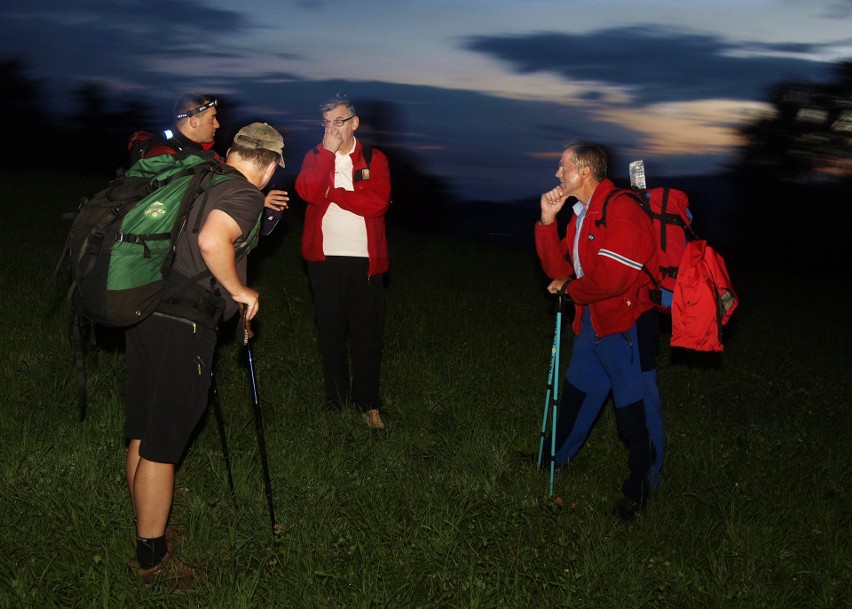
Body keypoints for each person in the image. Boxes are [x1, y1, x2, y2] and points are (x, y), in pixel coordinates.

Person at [125, 123, 284, 587]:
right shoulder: (244, 194)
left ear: (233, 151)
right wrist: (241, 291)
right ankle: (152, 559)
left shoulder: (199, 179)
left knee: (142, 427)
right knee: (164, 441)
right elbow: (213, 241)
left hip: (147, 309)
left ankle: (144, 528)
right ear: (271, 165)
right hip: (184, 323)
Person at [535, 142, 664, 520]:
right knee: (578, 395)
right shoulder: (581, 215)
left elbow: (612, 279)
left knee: (635, 409)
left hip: (629, 324)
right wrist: (547, 221)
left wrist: (570, 289)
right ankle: (554, 459)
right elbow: (557, 266)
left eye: (563, 167)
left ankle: (643, 488)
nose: (558, 173)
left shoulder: (622, 210)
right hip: (593, 320)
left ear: (585, 171)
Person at [295, 95, 392, 429]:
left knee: (367, 335)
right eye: (326, 123)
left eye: (338, 122)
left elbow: (377, 202)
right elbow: (308, 192)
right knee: (330, 333)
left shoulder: (375, 158)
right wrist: (325, 156)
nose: (332, 129)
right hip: (324, 260)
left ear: (354, 122)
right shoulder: (314, 155)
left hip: (366, 261)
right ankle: (336, 403)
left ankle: (368, 404)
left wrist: (333, 193)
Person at [129, 93, 290, 214]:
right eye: (212, 118)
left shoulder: (199, 154)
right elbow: (192, 203)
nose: (217, 124)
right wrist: (255, 200)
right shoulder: (164, 155)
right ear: (193, 121)